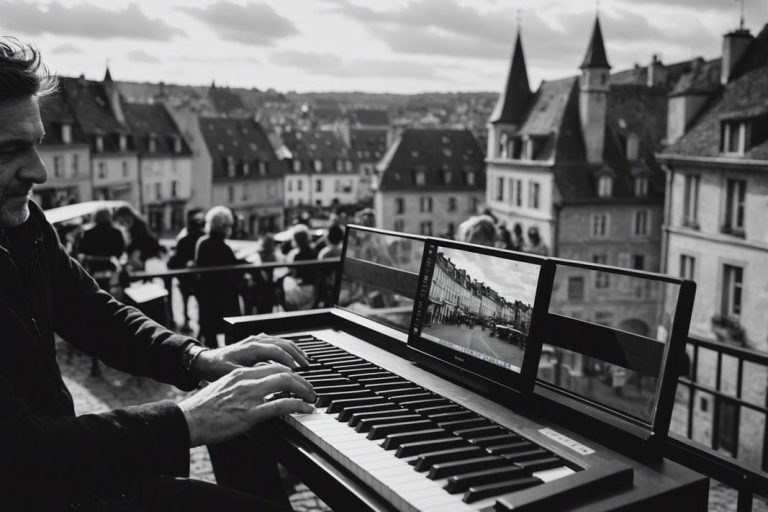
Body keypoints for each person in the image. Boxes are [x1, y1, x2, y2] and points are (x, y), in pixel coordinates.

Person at [0, 39, 315, 511]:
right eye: (10, 151)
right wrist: (187, 419)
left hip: (67, 484)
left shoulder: (24, 226)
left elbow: (93, 312)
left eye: (38, 144)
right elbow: (18, 451)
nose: (40, 172)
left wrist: (197, 358)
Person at [195, 206, 243, 348]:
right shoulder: (223, 248)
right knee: (232, 328)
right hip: (224, 297)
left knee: (210, 335)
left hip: (207, 296)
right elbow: (231, 274)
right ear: (224, 227)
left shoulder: (202, 243)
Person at [167, 208, 205, 333]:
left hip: (186, 279)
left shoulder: (183, 240)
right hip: (202, 279)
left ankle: (187, 321)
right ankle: (201, 324)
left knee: (185, 297)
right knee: (202, 302)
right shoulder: (205, 239)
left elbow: (174, 262)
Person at [78, 206, 125, 277]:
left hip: (92, 266)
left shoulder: (87, 232)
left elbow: (81, 250)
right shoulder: (116, 232)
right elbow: (120, 251)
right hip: (110, 265)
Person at [114, 204, 163, 271]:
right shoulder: (134, 222)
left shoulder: (137, 224)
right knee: (127, 261)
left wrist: (127, 250)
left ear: (125, 215)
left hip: (147, 247)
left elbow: (138, 241)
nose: (119, 221)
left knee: (129, 261)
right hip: (144, 247)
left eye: (119, 218)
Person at [283, 224, 318, 311]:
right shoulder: (313, 251)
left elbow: (292, 272)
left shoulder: (296, 255)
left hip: (301, 288)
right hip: (313, 288)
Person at [316, 224, 345, 307]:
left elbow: (321, 275)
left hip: (329, 290)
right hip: (343, 287)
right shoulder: (345, 251)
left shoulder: (324, 253)